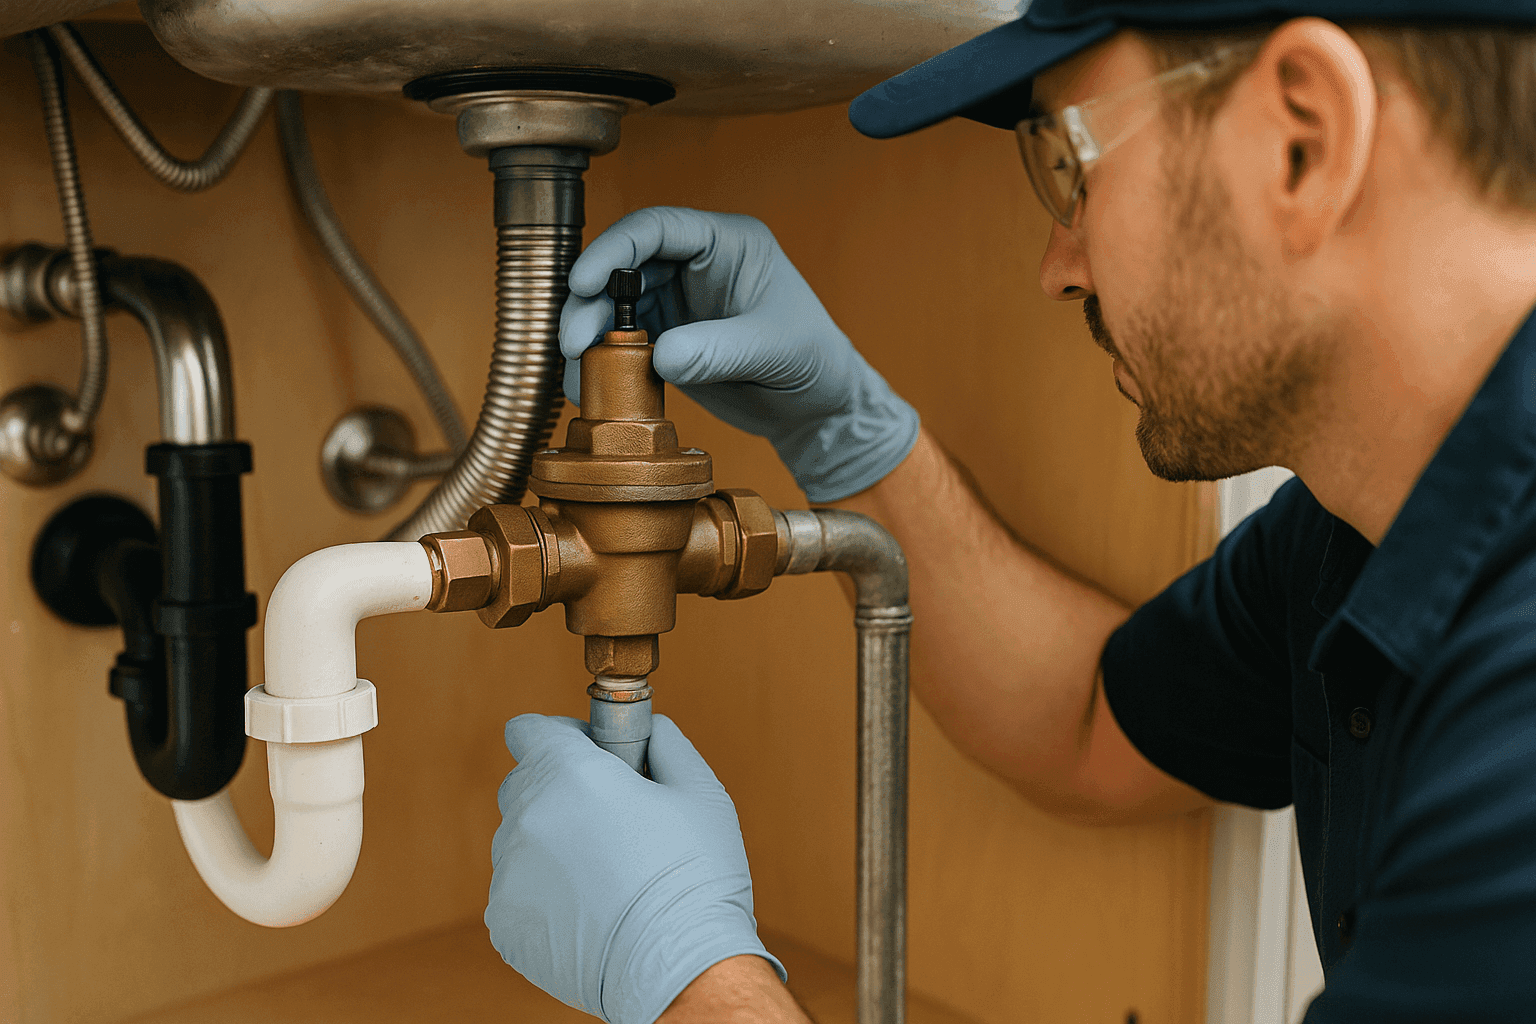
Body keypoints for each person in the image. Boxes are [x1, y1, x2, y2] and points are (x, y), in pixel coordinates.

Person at [483, 1, 1536, 1021]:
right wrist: (846, 432)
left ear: (1301, 141)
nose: (1055, 267)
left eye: (1069, 168)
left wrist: (688, 977)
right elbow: (1087, 718)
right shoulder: (1360, 527)